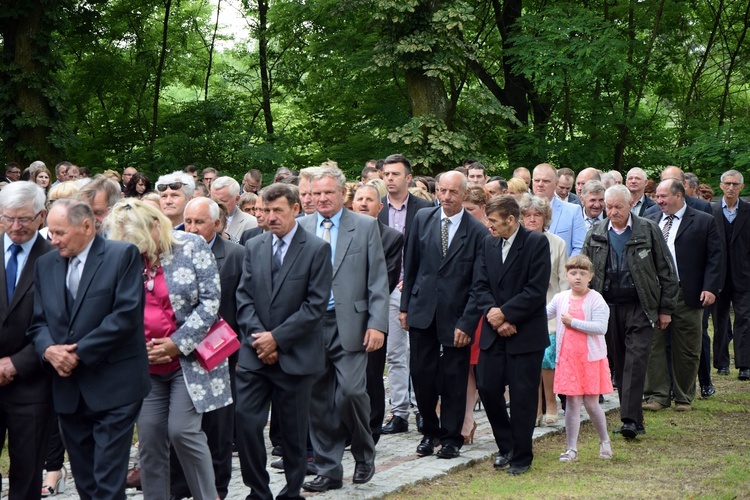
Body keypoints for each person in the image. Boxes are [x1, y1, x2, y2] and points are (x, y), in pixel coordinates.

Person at [106, 199, 230, 500]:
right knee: (148, 438)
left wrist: (176, 344)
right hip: (145, 364)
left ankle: (207, 496)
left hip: (189, 362)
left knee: (182, 430)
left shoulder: (190, 246)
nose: (134, 248)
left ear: (154, 227)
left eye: (137, 241)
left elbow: (211, 302)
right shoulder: (125, 256)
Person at [27, 199, 151, 499]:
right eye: (50, 232)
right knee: (86, 482)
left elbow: (125, 315)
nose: (52, 239)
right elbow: (38, 322)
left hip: (115, 386)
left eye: (59, 232)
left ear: (86, 226)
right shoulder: (46, 264)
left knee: (107, 480)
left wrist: (77, 352)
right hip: (68, 390)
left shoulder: (121, 255)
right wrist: (49, 351)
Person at [235, 183, 332, 500]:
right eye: (266, 210)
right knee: (247, 424)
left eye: (278, 210)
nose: (271, 216)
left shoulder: (316, 248)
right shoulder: (254, 245)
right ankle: (257, 491)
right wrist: (260, 340)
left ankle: (291, 491)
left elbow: (314, 306)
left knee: (292, 433)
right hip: (254, 356)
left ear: (295, 209)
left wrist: (276, 339)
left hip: (295, 356)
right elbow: (244, 299)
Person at [299, 165, 389, 492]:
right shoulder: (301, 227)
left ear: (342, 194)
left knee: (351, 392)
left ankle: (364, 453)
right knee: (318, 400)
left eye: (328, 193)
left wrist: (377, 324)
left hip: (352, 323)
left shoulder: (364, 227)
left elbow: (378, 279)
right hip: (310, 327)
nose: (321, 198)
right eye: (316, 193)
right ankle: (328, 469)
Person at [400, 171, 486, 460]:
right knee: (421, 374)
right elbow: (410, 266)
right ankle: (429, 431)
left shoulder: (477, 232)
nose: (446, 197)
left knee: (454, 378)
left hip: (457, 317)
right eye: (442, 191)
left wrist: (468, 322)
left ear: (464, 195)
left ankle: (451, 438)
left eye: (452, 192)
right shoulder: (423, 219)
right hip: (422, 310)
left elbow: (479, 284)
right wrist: (404, 306)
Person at [582, 185, 678, 438]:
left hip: (640, 305)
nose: (613, 212)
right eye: (608, 207)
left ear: (630, 206)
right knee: (621, 362)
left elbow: (667, 271)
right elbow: (584, 269)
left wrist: (665, 308)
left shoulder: (647, 229)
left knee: (636, 361)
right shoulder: (596, 232)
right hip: (609, 307)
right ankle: (634, 419)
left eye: (618, 207)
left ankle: (628, 420)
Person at [470, 195, 551, 475]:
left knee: (522, 396)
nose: (488, 225)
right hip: (495, 331)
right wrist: (495, 317)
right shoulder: (488, 243)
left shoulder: (536, 243)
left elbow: (536, 289)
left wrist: (506, 313)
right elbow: (479, 285)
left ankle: (521, 456)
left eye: (492, 221)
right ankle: (506, 445)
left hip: (525, 333)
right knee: (488, 387)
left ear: (511, 220)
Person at [641, 179, 723, 411]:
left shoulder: (704, 221)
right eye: (657, 196)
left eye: (663, 196)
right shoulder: (650, 219)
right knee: (653, 344)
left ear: (679, 196)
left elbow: (715, 257)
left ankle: (683, 396)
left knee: (687, 346)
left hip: (689, 293)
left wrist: (710, 287)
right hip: (656, 293)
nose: (659, 201)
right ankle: (656, 395)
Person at [0, 182, 55, 499]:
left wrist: (17, 363)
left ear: (41, 216)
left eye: (24, 219)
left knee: (26, 473)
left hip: (32, 383)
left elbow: (59, 323)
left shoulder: (55, 259)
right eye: (8, 218)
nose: (15, 227)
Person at [377, 154, 434, 436]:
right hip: (387, 290)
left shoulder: (425, 208)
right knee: (395, 354)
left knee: (420, 353)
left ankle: (423, 409)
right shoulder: (377, 211)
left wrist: (411, 281)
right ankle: (398, 412)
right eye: (386, 174)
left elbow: (432, 250)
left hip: (417, 289)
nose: (390, 178)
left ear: (408, 178)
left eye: (395, 174)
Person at [546, 254, 613, 461]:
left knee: (592, 403)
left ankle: (604, 441)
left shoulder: (596, 299)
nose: (577, 277)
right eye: (573, 273)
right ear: (566, 274)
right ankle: (571, 448)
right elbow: (542, 315)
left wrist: (573, 322)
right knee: (572, 403)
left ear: (590, 276)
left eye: (582, 273)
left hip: (590, 359)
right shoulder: (560, 298)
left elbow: (601, 328)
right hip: (567, 358)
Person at [352, 184, 405, 445]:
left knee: (372, 375)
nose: (363, 203)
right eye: (359, 199)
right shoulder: (341, 234)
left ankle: (371, 432)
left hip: (373, 314)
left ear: (379, 207)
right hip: (341, 316)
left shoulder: (391, 237)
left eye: (369, 200)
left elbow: (386, 279)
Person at [518, 194, 569, 427]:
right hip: (521, 310)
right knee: (527, 362)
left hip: (550, 309)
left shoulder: (557, 243)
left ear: (545, 218)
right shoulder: (516, 242)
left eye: (537, 215)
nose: (531, 219)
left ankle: (551, 403)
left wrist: (560, 312)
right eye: (527, 215)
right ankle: (534, 406)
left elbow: (563, 282)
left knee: (547, 359)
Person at [711, 170, 750, 380]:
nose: (731, 188)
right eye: (727, 183)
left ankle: (744, 364)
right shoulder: (712, 211)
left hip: (744, 276)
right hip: (719, 276)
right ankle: (721, 363)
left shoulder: (748, 211)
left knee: (744, 319)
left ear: (742, 187)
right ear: (721, 186)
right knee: (720, 320)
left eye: (735, 184)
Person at [532, 163, 587, 256]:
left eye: (545, 181)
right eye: (537, 180)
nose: (540, 184)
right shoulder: (521, 211)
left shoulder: (573, 211)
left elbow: (580, 247)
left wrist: (565, 268)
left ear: (556, 184)